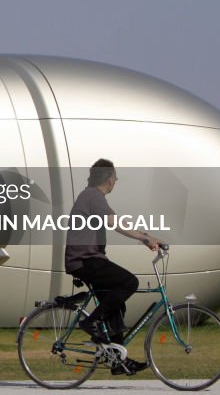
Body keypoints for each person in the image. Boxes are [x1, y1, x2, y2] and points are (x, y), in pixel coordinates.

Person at [64, 159, 164, 375]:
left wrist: (146, 237)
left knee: (116, 306)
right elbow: (115, 223)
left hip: (90, 259)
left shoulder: (91, 196)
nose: (116, 182)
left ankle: (118, 360)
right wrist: (145, 238)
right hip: (85, 261)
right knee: (129, 282)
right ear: (109, 179)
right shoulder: (92, 195)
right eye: (115, 178)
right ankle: (91, 322)